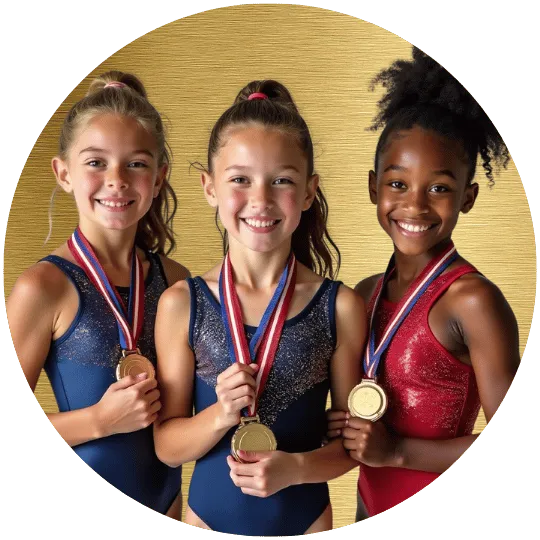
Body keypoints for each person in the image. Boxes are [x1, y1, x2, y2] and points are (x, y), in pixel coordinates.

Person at [153, 80, 366, 535]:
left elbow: (351, 445)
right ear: (209, 187)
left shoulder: (339, 306)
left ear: (309, 192)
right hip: (207, 522)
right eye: (240, 179)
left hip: (306, 524)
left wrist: (297, 468)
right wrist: (221, 414)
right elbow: (167, 446)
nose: (261, 199)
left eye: (282, 180)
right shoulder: (181, 303)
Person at [327, 47, 520, 519]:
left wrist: (396, 452)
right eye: (397, 184)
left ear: (467, 197)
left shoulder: (471, 300)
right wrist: (343, 426)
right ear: (373, 186)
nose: (414, 206)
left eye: (439, 188)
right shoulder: (367, 293)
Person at [6, 71, 189, 518]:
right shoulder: (43, 287)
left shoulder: (176, 280)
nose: (117, 180)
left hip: (169, 506)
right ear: (63, 173)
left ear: (159, 177)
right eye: (95, 163)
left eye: (137, 164)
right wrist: (99, 421)